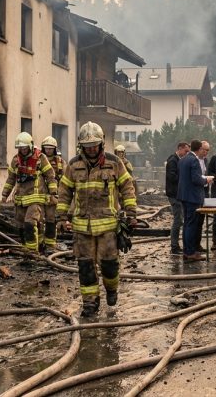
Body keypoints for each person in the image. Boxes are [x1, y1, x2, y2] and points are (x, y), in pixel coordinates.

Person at [56, 121, 137, 317]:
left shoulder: (114, 163)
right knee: (85, 267)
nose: (91, 149)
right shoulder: (74, 165)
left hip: (108, 227)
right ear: (81, 146)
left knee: (109, 266)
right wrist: (60, 216)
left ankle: (111, 290)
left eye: (94, 145)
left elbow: (127, 187)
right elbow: (64, 191)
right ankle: (90, 304)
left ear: (101, 144)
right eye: (87, 146)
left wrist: (131, 212)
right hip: (82, 228)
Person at [2, 132, 57, 254]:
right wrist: (5, 194)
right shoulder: (16, 160)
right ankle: (35, 246)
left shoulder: (40, 158)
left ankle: (32, 252)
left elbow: (50, 175)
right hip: (21, 200)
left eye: (25, 148)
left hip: (36, 199)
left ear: (30, 146)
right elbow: (11, 178)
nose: (23, 150)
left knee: (29, 223)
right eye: (20, 148)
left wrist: (53, 192)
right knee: (21, 226)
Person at [177, 139, 213, 261]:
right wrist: (206, 180)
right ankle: (191, 252)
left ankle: (187, 251)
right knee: (191, 225)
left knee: (187, 224)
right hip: (193, 197)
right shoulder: (194, 160)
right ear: (199, 149)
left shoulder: (183, 160)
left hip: (183, 196)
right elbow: (196, 179)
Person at [41, 136, 66, 249]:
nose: (48, 150)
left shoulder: (60, 161)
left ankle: (50, 243)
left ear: (55, 149)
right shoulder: (38, 159)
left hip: (54, 194)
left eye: (51, 148)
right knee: (39, 218)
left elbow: (65, 177)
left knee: (51, 219)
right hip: (40, 193)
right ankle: (39, 242)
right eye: (46, 148)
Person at [166, 141, 190, 255]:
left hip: (179, 194)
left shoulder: (179, 160)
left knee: (180, 219)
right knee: (178, 220)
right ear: (180, 149)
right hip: (174, 195)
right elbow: (172, 178)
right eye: (185, 151)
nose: (186, 154)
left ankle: (176, 245)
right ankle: (174, 246)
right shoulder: (173, 161)